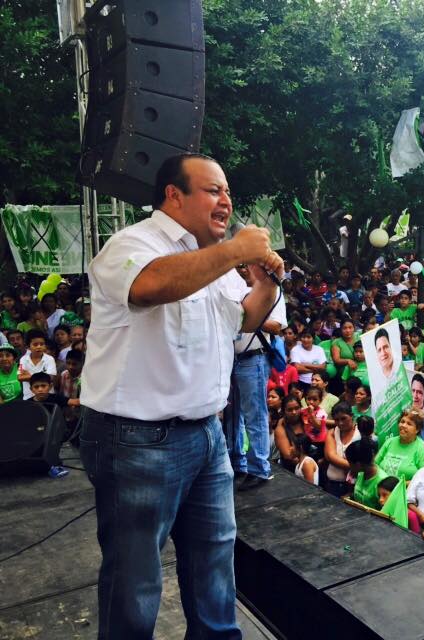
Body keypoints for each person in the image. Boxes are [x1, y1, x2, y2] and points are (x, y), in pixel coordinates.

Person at [79, 153, 284, 637]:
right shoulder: (131, 244)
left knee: (215, 559)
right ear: (174, 195)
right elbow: (150, 287)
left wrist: (266, 283)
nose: (227, 201)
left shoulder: (211, 262)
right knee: (135, 578)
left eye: (227, 192)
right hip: (137, 442)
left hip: (207, 436)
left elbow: (243, 322)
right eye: (214, 190)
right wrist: (235, 251)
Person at [232, 263, 287, 489]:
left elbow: (277, 326)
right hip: (231, 359)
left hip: (254, 359)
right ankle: (237, 462)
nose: (242, 270)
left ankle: (259, 468)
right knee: (232, 415)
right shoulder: (232, 288)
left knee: (255, 414)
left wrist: (248, 316)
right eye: (238, 266)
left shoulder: (271, 289)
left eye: (246, 266)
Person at [375, 410, 424, 482]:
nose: (403, 425)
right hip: (381, 488)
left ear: (417, 430)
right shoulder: (390, 442)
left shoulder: (422, 447)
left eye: (409, 424)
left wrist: (399, 485)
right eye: (402, 422)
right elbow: (375, 465)